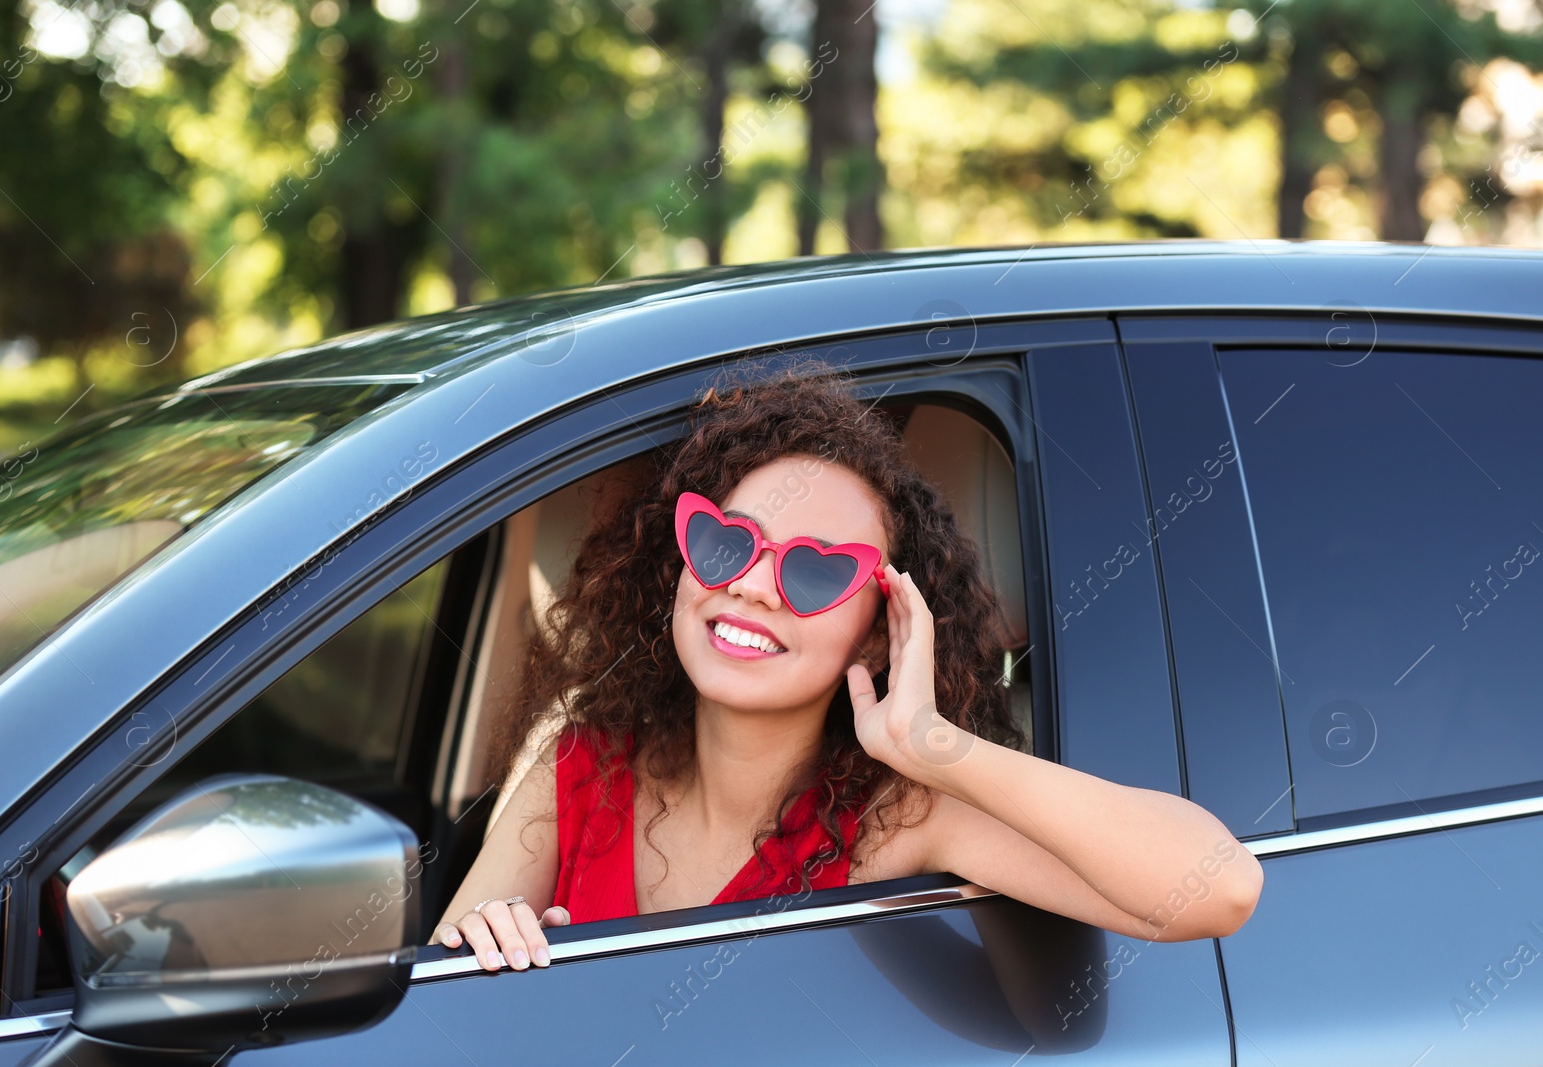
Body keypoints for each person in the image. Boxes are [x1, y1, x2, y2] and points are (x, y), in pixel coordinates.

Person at [430, 356, 1263, 971]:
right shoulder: (577, 760)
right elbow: (443, 1011)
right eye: (725, 542)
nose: (753, 585)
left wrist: (936, 745)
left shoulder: (899, 815)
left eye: (816, 570)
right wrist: (492, 943)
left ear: (878, 628)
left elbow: (1220, 886)